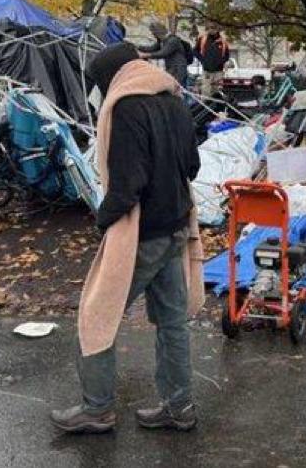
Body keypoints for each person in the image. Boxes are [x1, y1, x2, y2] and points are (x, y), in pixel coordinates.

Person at [51, 43, 204, 434]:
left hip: (141, 234)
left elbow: (127, 185)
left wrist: (103, 221)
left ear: (112, 78)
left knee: (96, 314)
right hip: (177, 226)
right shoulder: (174, 100)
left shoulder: (125, 107)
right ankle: (179, 407)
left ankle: (97, 409)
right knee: (172, 323)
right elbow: (193, 165)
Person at [138, 21, 189, 87]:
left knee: (178, 88)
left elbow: (163, 53)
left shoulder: (173, 40)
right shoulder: (162, 41)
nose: (152, 34)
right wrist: (137, 47)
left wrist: (145, 55)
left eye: (153, 32)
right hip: (171, 68)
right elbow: (152, 48)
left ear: (158, 31)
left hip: (178, 69)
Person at [195, 21, 230, 97]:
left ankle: (216, 104)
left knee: (217, 91)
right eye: (209, 28)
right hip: (207, 70)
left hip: (218, 71)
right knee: (206, 91)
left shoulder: (223, 41)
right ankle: (205, 104)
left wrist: (221, 62)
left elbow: (227, 55)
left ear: (217, 29)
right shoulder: (202, 39)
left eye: (213, 28)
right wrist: (203, 60)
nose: (211, 30)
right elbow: (195, 51)